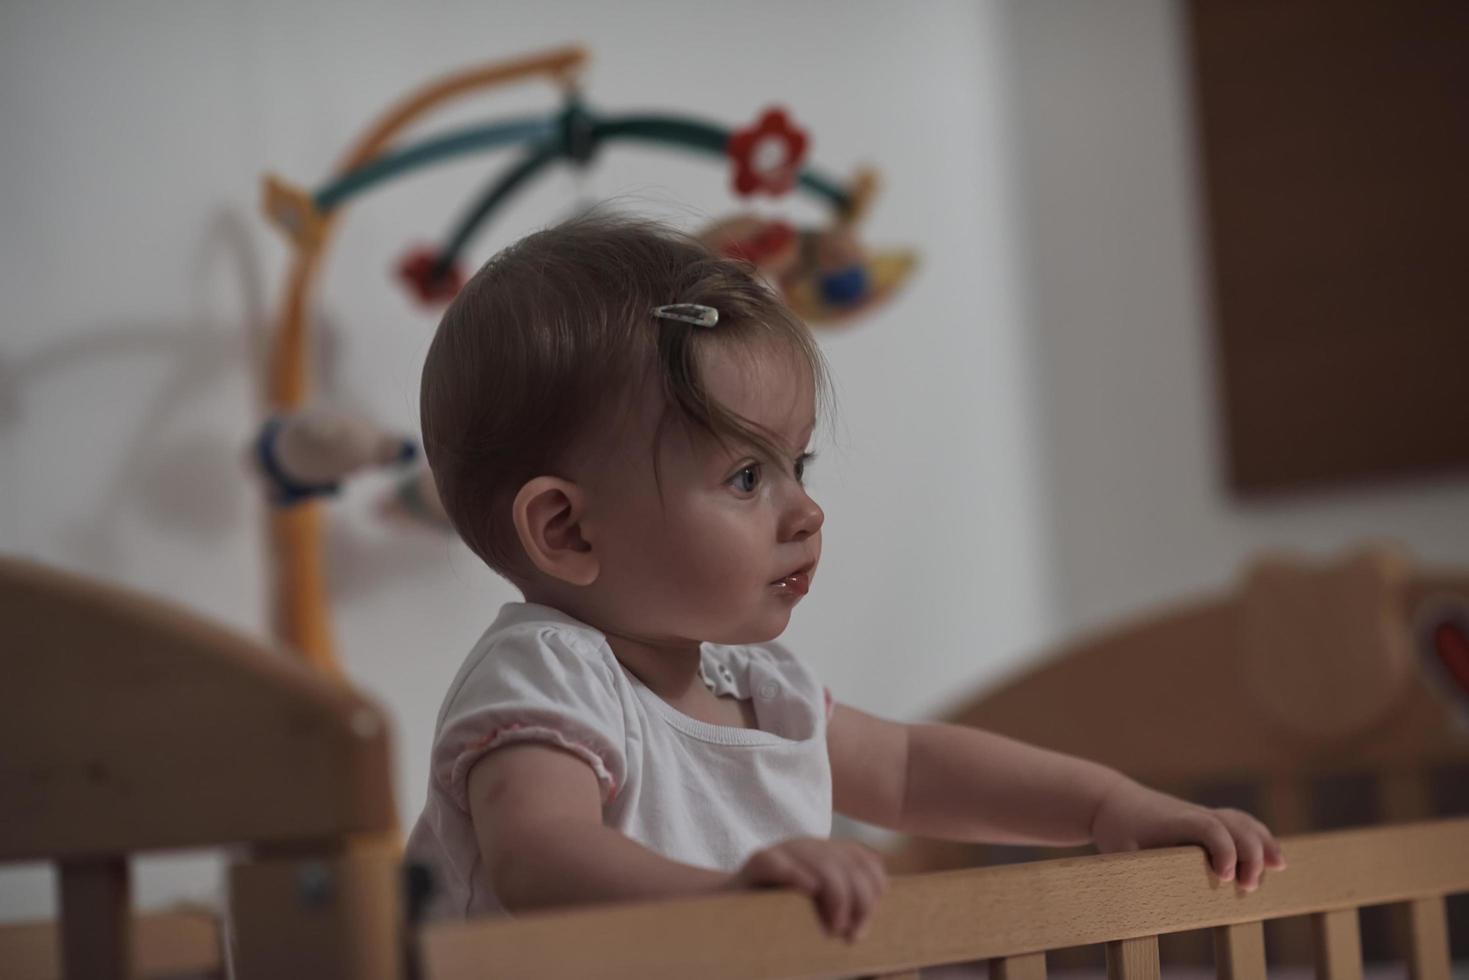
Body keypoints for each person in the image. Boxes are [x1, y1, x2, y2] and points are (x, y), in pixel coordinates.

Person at [406, 214, 1285, 938]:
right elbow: (539, 855)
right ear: (566, 529)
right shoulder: (549, 673)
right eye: (746, 479)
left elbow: (909, 769)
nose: (804, 512)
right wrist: (728, 900)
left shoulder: (757, 690)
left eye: (798, 466)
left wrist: (1106, 808)